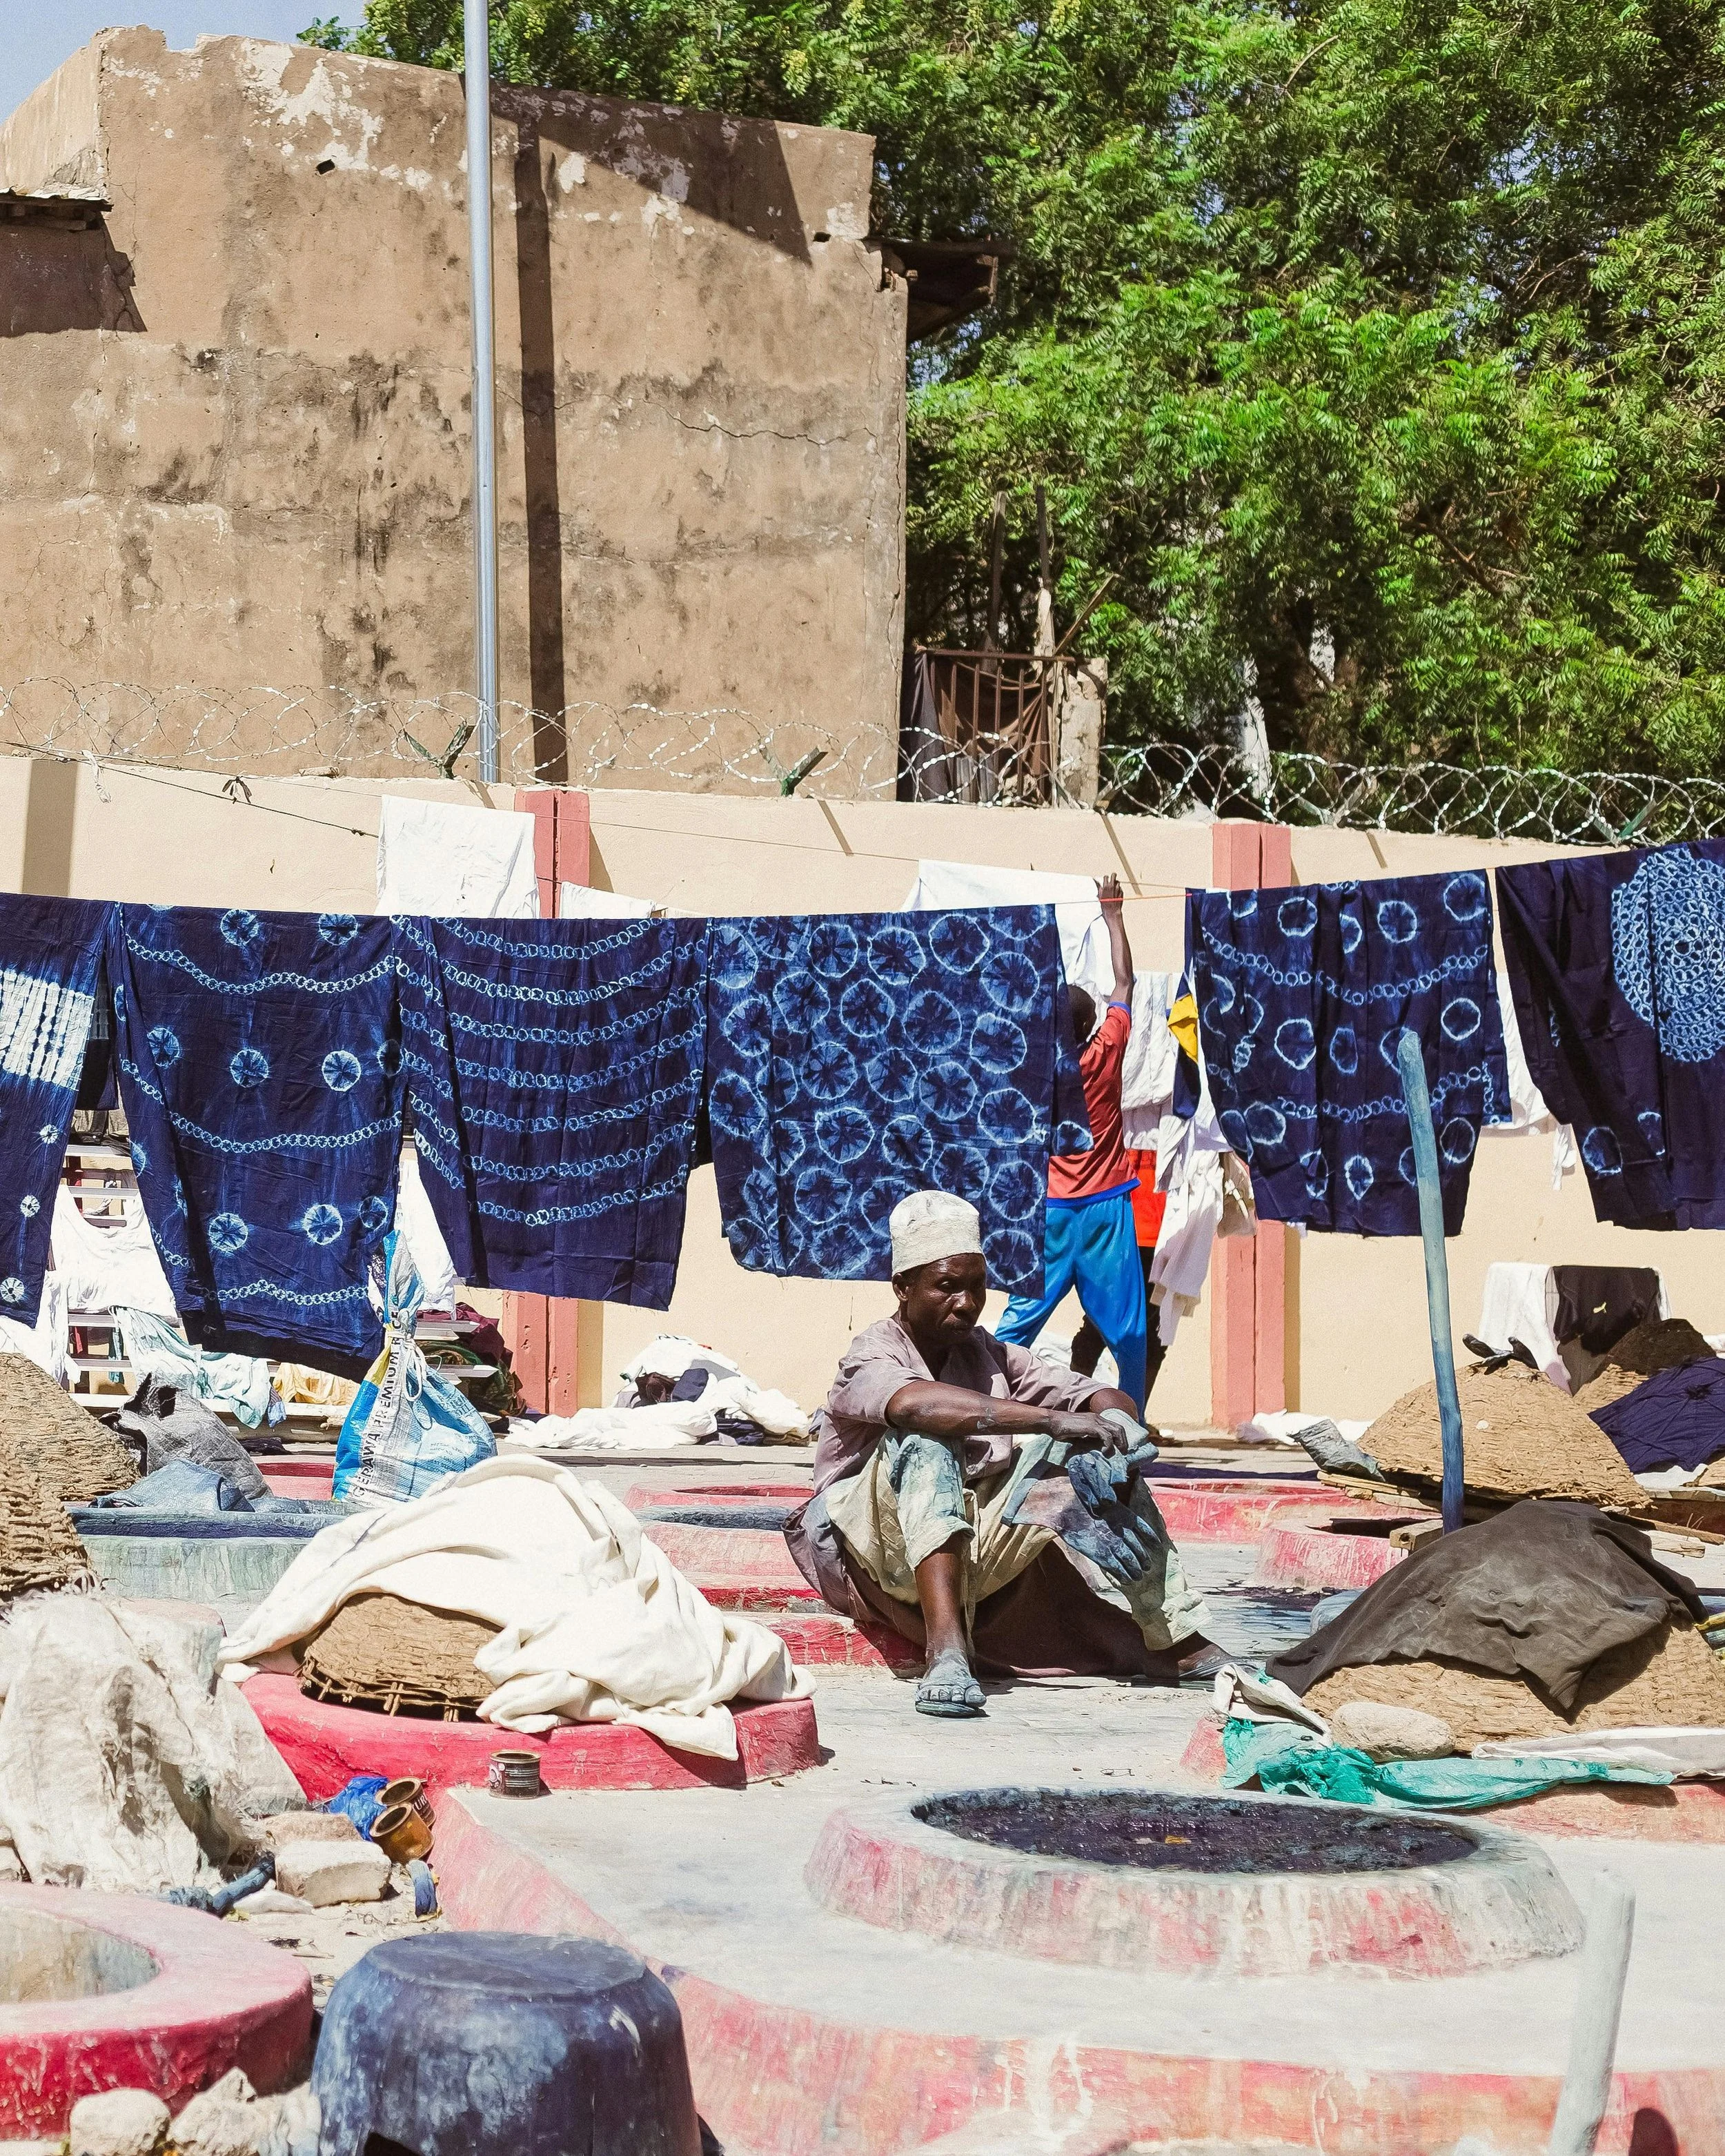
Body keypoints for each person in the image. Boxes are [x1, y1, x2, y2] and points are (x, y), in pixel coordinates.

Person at [787, 1189, 1219, 1717]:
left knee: (1091, 1453)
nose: (966, 1303)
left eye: (976, 1286)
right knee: (927, 1440)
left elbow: (1090, 1393)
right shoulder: (871, 1353)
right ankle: (946, 1651)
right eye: (947, 1286)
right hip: (878, 1555)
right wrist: (1050, 1418)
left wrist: (1119, 1427)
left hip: (966, 1551)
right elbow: (918, 1407)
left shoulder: (988, 1353)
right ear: (903, 1287)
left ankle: (1171, 1633)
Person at [994, 873, 1150, 1410]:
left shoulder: (1036, 1072)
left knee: (1016, 1327)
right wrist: (1113, 916)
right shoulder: (1105, 1051)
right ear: (1089, 1025)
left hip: (1053, 1214)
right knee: (1129, 1332)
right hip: (1107, 1209)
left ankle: (983, 1408)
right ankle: (1134, 1420)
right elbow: (1125, 983)